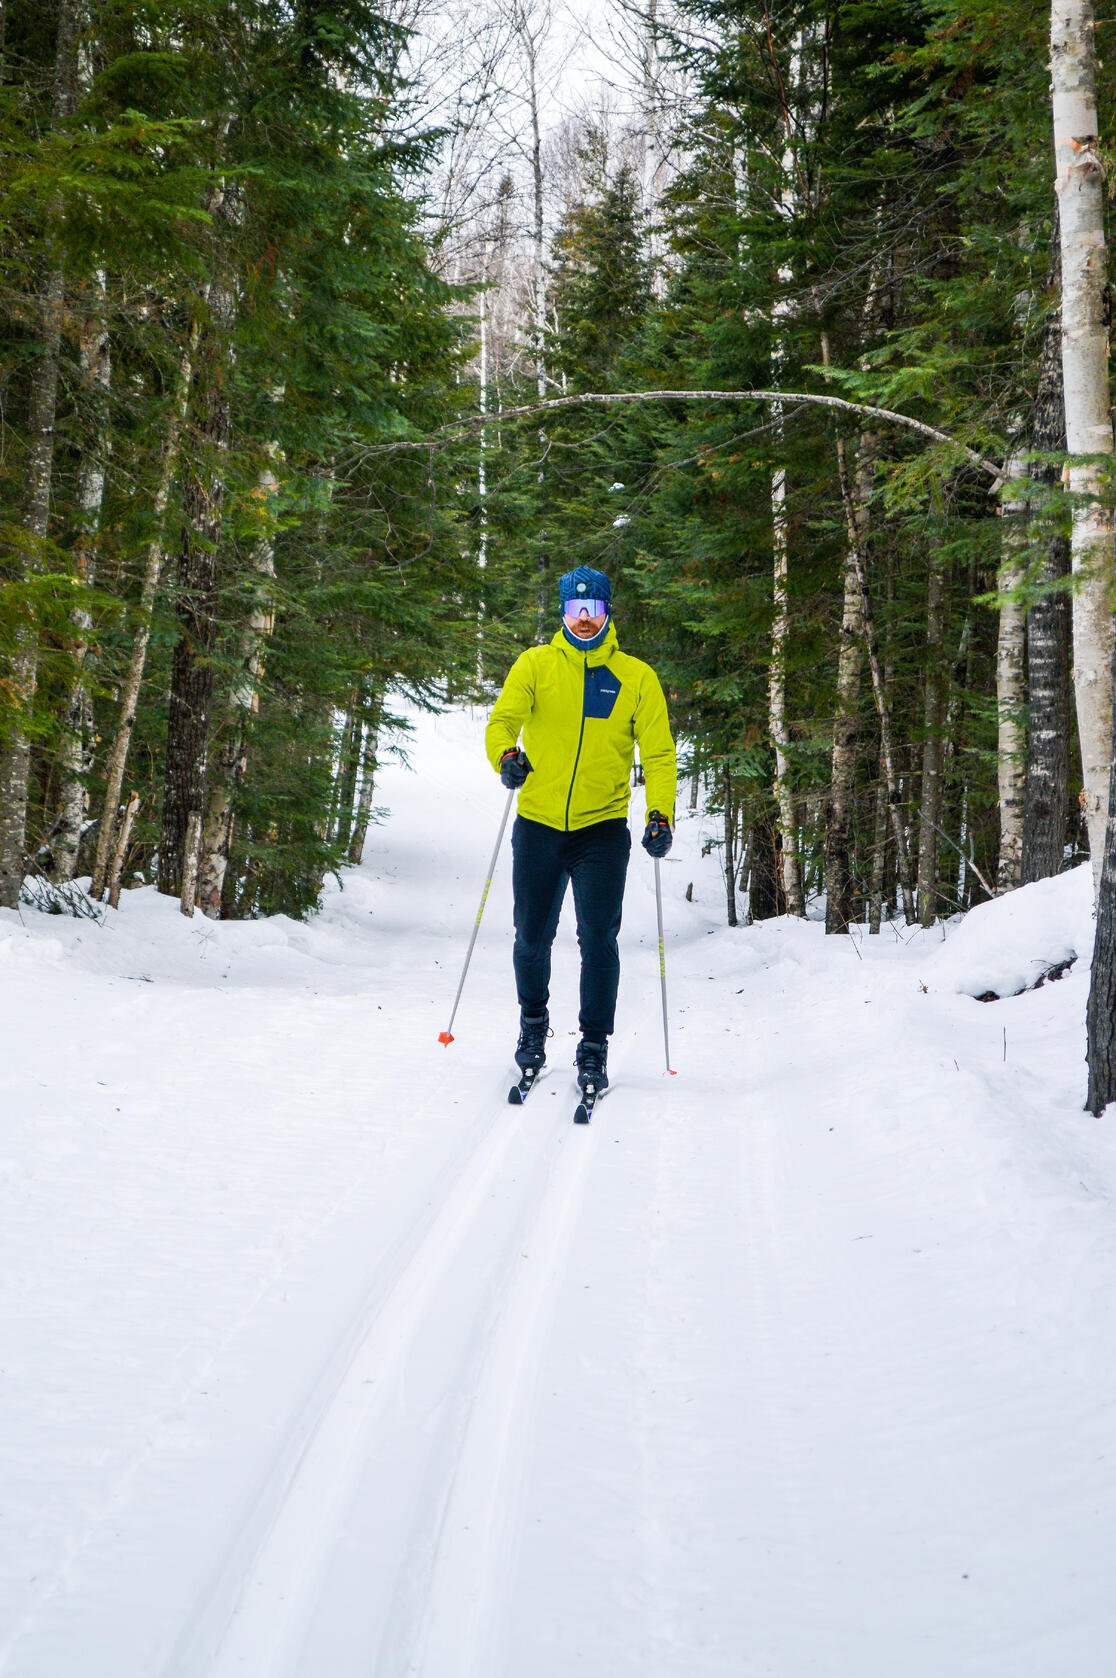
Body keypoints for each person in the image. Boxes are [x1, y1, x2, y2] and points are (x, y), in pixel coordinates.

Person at [485, 565, 676, 1096]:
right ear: (563, 613)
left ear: (608, 611)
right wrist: (506, 756)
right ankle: (533, 1025)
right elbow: (502, 722)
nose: (584, 619)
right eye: (575, 609)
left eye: (593, 609)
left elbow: (659, 754)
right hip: (539, 824)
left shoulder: (636, 677)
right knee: (531, 936)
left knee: (597, 939)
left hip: (602, 829)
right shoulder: (536, 664)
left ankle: (594, 1045)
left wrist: (659, 813)